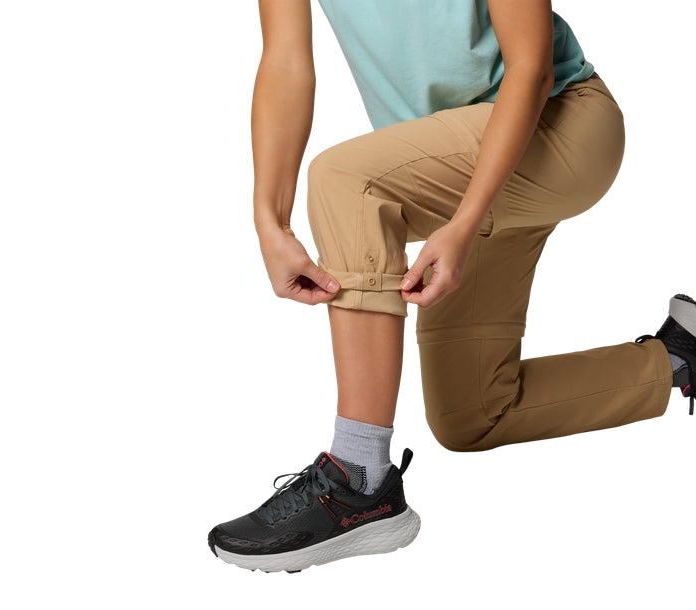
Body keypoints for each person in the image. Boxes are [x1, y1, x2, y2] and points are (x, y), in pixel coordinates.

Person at [208, 0, 696, 573]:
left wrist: (464, 223)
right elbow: (286, 61)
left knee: (344, 180)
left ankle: (358, 480)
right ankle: (679, 358)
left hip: (559, 126)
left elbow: (532, 66)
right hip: (458, 154)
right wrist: (269, 221)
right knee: (473, 412)